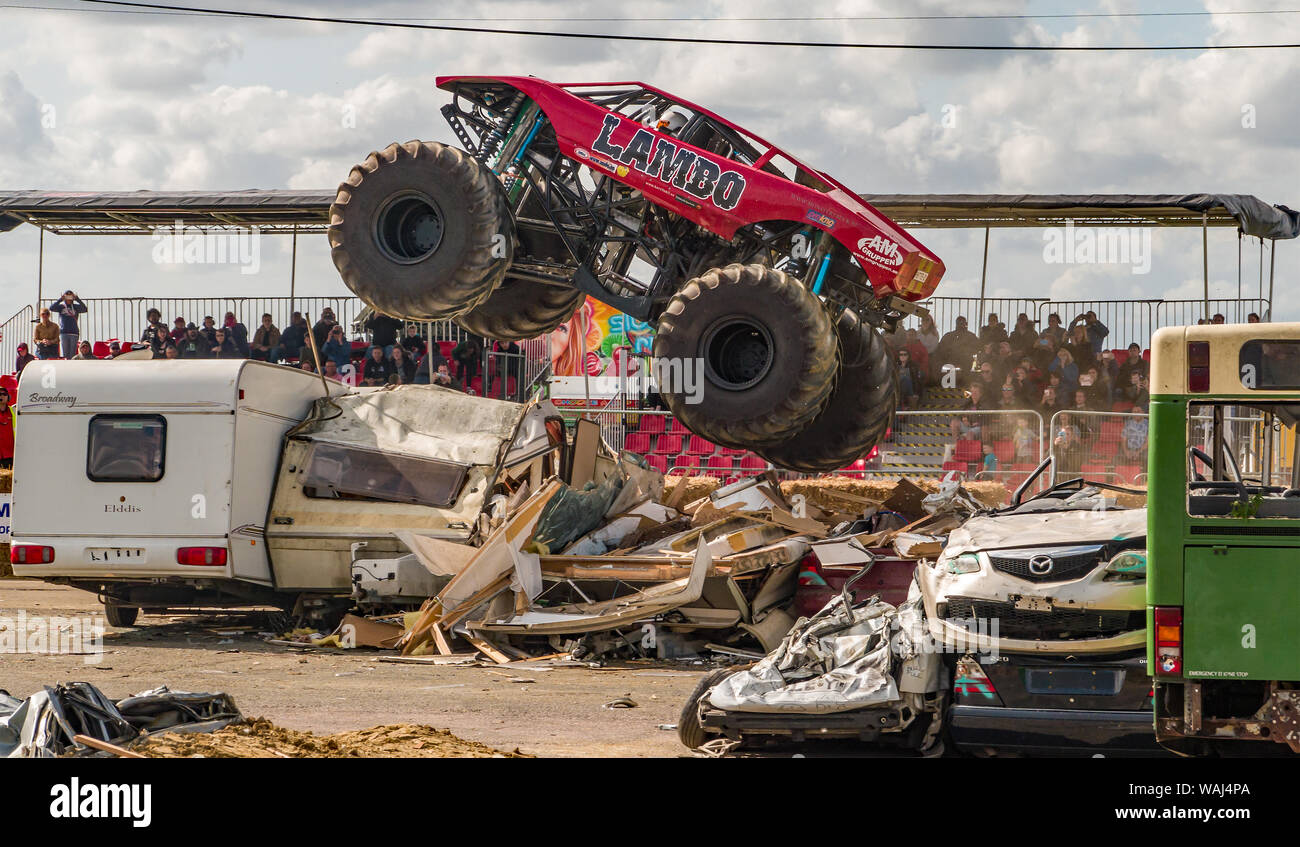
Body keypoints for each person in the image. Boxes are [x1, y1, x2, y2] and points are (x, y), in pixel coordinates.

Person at [935, 316, 979, 383]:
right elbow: (941, 348)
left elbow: (977, 348)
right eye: (959, 323)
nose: (961, 324)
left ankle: (964, 383)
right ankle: (950, 384)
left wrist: (968, 352)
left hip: (965, 360)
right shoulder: (949, 335)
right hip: (951, 360)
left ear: (966, 323)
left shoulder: (971, 336)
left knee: (966, 364)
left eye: (962, 323)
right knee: (948, 366)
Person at [49, 290, 88, 359]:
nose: (69, 299)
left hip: (74, 332)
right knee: (66, 354)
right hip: (64, 332)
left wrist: (77, 299)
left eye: (70, 297)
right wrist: (60, 299)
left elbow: (84, 309)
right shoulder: (61, 307)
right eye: (67, 296)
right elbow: (51, 308)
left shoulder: (75, 307)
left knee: (72, 354)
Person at [0, 387, 13, 468]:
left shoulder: (13, 411)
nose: (1, 396)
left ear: (8, 397)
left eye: (4, 394)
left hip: (10, 454)